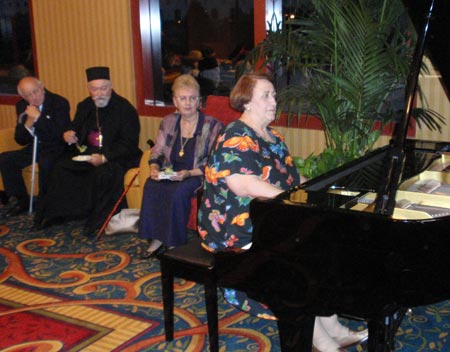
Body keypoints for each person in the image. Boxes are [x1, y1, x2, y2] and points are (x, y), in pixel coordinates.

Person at [197, 74, 368, 352]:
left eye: (274, 95)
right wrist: (291, 200)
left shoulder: (273, 137)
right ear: (247, 102)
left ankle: (334, 327)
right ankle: (324, 342)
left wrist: (317, 194)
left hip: (271, 217)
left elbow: (293, 177)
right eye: (266, 95)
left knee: (320, 248)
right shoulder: (235, 137)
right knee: (296, 262)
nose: (274, 101)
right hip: (235, 226)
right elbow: (244, 185)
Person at [34, 67, 142, 234]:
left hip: (116, 156)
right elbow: (75, 127)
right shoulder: (85, 106)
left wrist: (105, 157)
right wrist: (69, 134)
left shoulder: (124, 109)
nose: (99, 93)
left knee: (105, 173)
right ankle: (60, 214)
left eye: (103, 88)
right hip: (89, 153)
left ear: (111, 86)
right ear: (89, 89)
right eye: (94, 89)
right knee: (61, 167)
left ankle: (98, 220)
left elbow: (129, 143)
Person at [139, 74, 223, 258]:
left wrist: (189, 173)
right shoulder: (169, 121)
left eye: (192, 98)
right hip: (171, 170)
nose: (188, 103)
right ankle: (157, 238)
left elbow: (215, 160)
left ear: (199, 100)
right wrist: (154, 167)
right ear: (175, 101)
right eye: (183, 98)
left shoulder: (212, 125)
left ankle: (174, 243)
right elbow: (158, 149)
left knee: (177, 192)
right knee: (151, 185)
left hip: (197, 174)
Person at [0, 76, 70, 216]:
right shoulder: (21, 106)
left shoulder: (59, 102)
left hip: (56, 147)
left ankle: (46, 203)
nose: (34, 97)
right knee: (5, 159)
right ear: (23, 97)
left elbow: (58, 133)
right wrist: (28, 124)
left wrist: (39, 118)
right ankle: (21, 200)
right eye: (28, 95)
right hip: (35, 147)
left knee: (46, 163)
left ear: (42, 87)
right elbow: (20, 139)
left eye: (36, 91)